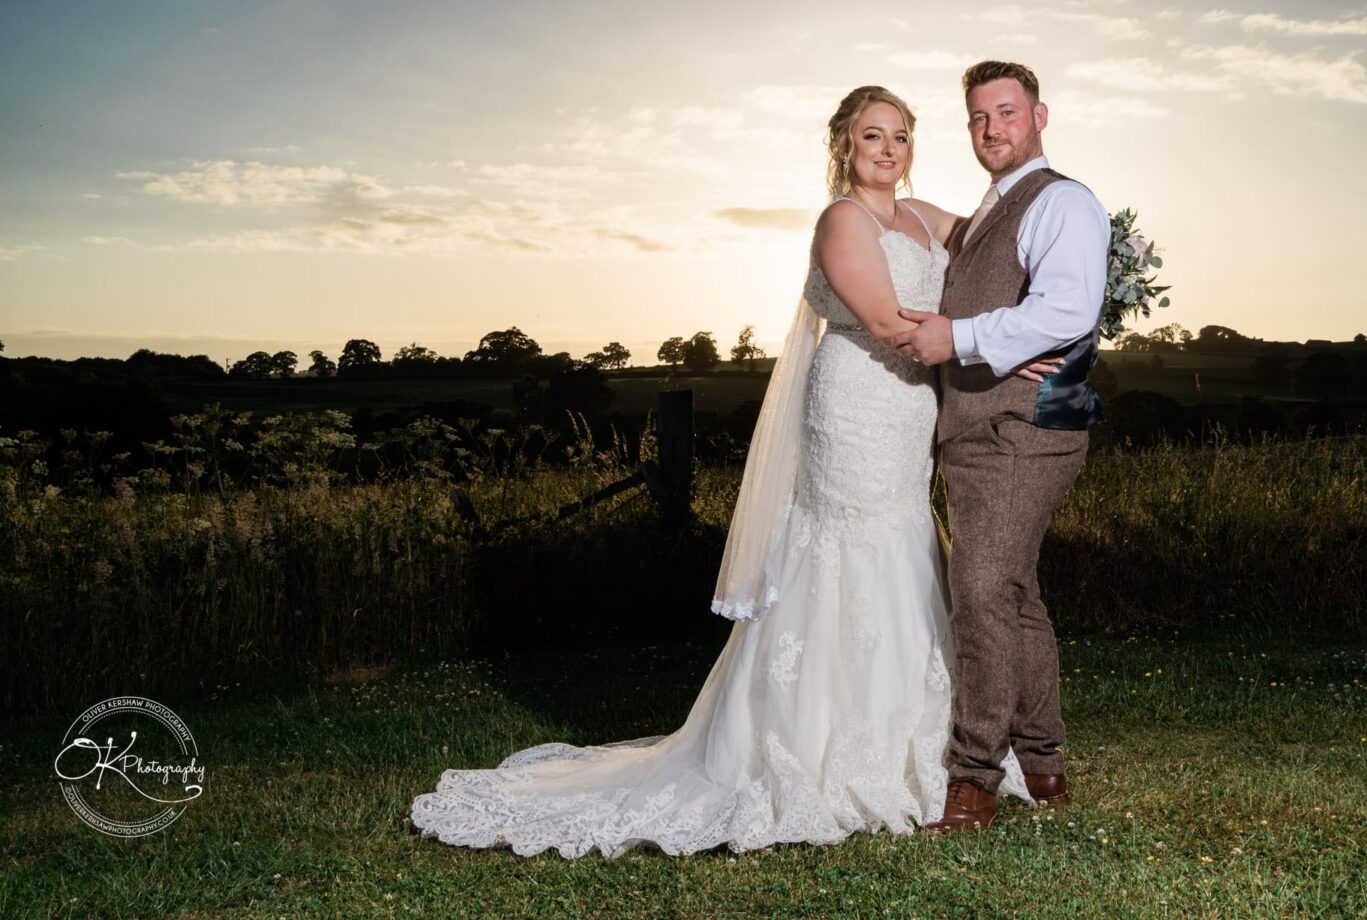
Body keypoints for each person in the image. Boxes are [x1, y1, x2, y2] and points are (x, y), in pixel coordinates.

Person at [410, 84, 1038, 858]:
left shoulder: (924, 216)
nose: (889, 149)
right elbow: (882, 320)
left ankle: (925, 739)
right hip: (853, 408)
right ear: (844, 143)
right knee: (845, 550)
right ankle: (817, 747)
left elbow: (1000, 229)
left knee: (905, 542)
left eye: (902, 137)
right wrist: (997, 341)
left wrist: (1062, 246)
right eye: (872, 135)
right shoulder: (842, 220)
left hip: (910, 416)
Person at [883, 60, 1109, 832]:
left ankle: (974, 779)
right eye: (978, 118)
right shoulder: (990, 209)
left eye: (1006, 113)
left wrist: (961, 336)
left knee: (979, 590)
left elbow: (1066, 310)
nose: (991, 130)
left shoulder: (1063, 202)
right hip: (978, 430)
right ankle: (1044, 765)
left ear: (1039, 117)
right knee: (1013, 595)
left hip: (1027, 428)